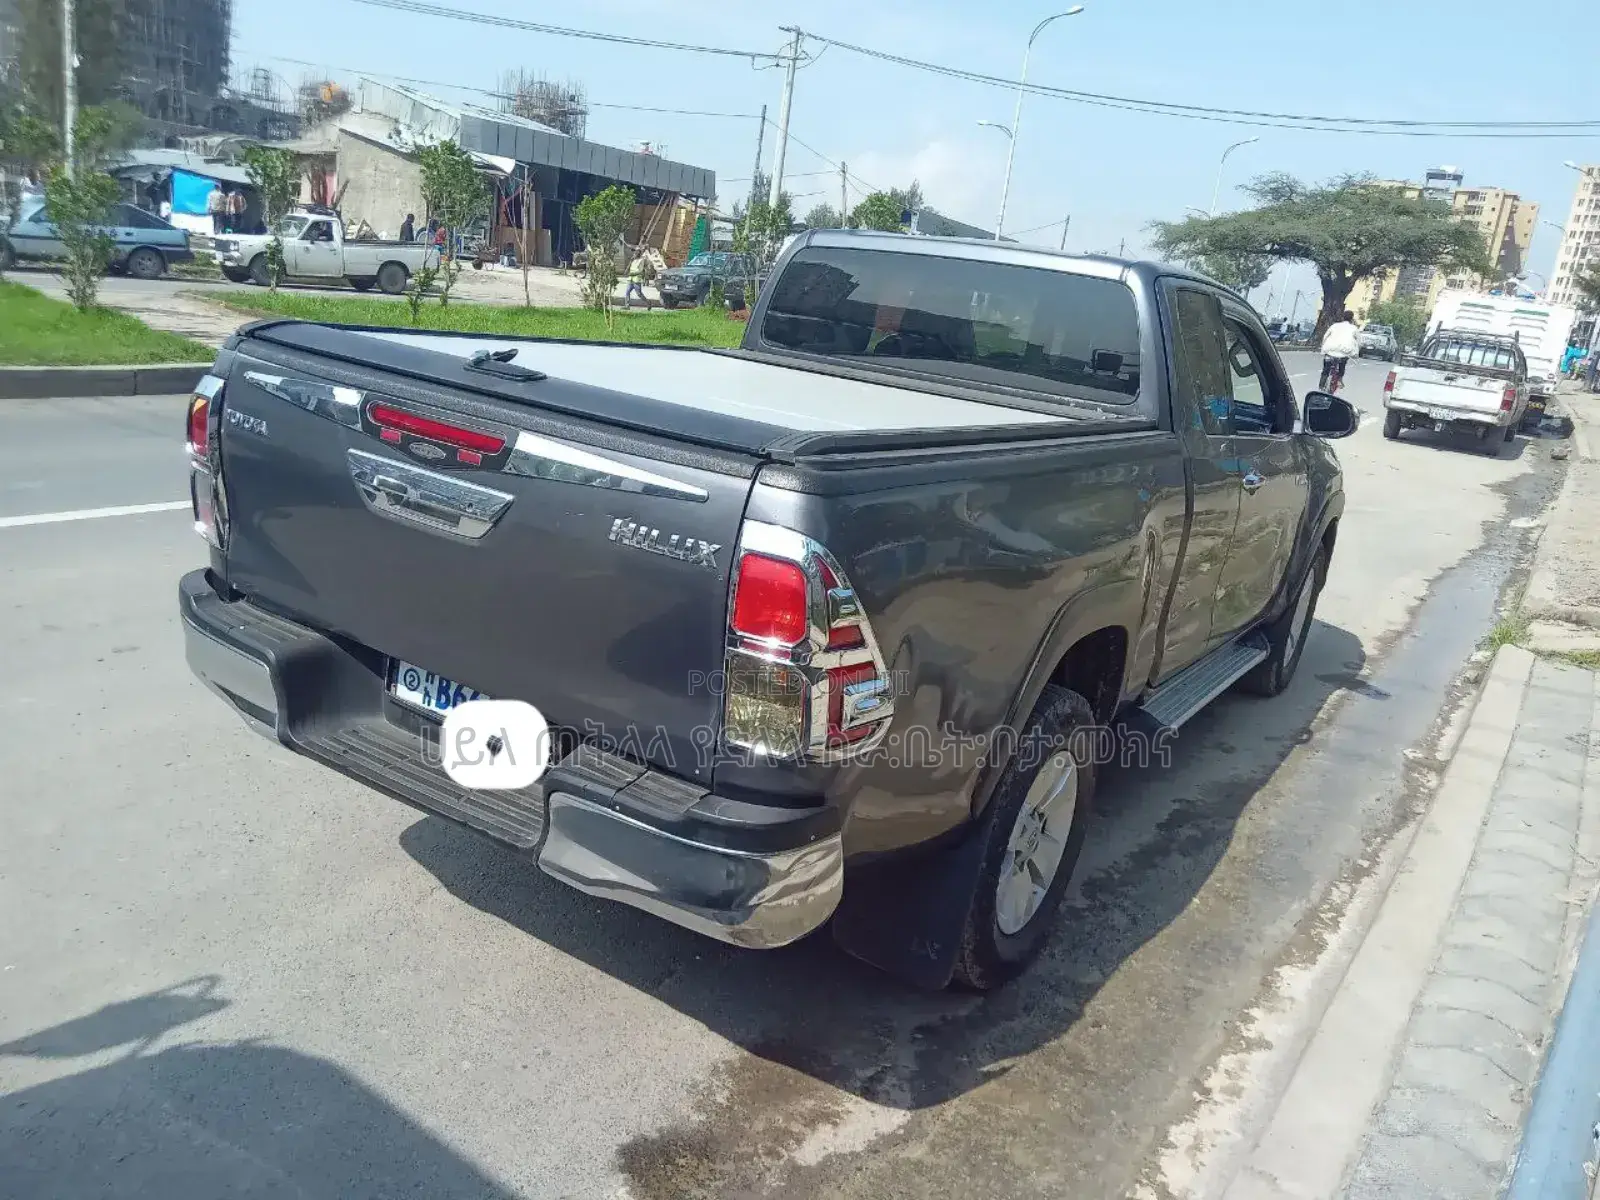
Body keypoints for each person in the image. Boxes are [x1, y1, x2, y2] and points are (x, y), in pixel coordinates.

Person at [1319, 310, 1361, 392]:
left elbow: (1325, 337)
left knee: (1326, 369)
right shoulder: (1354, 328)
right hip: (1344, 352)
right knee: (1342, 364)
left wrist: (1323, 348)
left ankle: (1321, 385)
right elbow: (1359, 343)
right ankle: (1339, 379)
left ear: (1343, 317)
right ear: (1352, 319)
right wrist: (1356, 353)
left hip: (1329, 350)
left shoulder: (1334, 326)